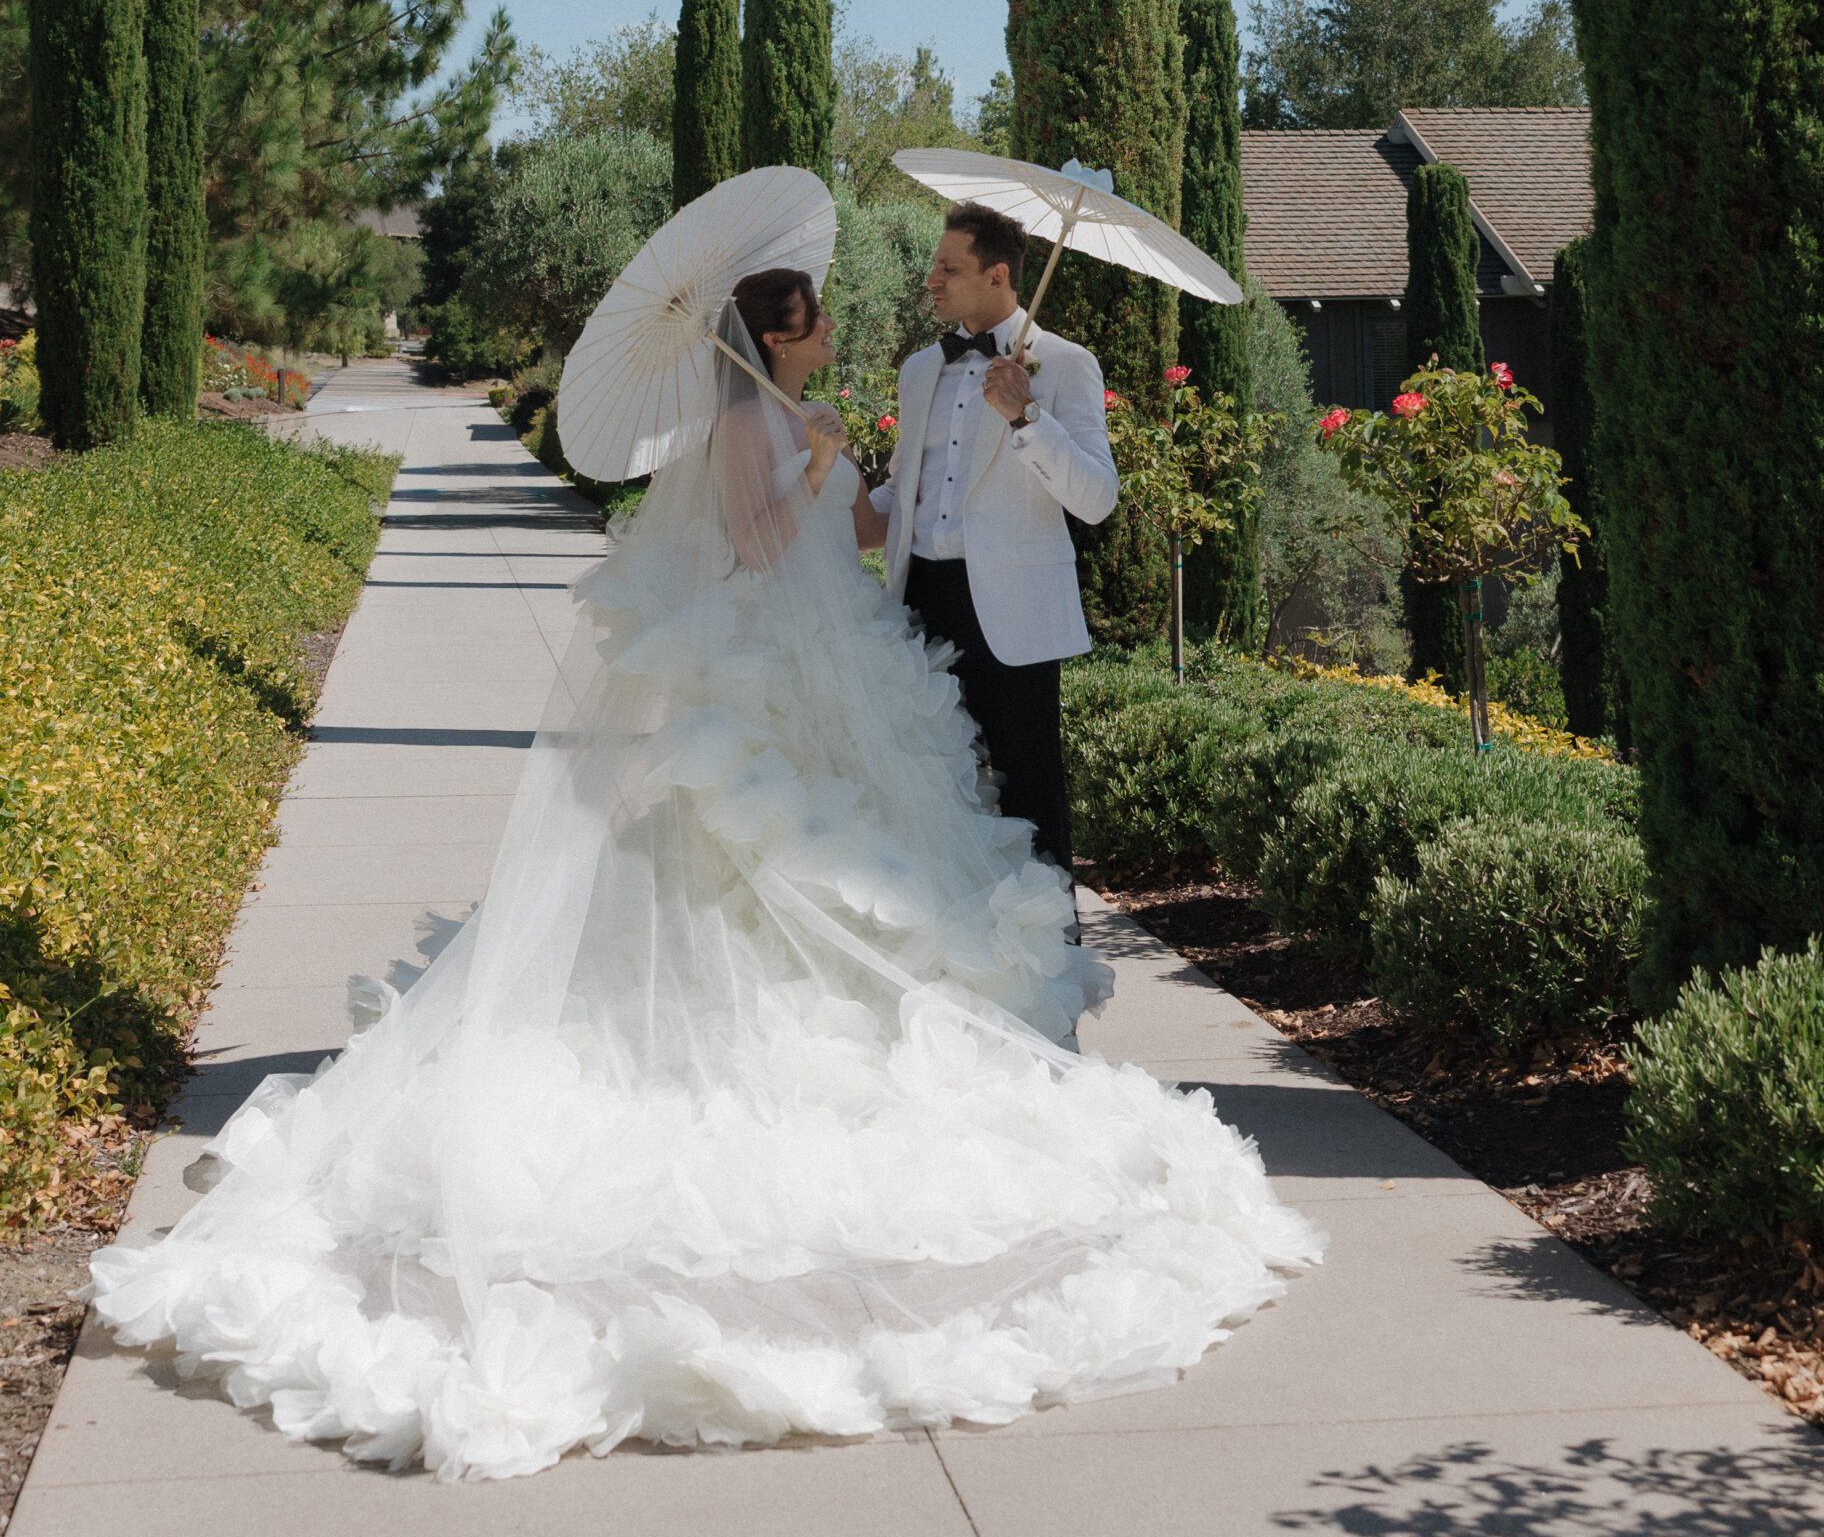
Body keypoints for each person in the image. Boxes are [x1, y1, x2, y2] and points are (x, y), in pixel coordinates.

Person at [91, 257, 1318, 1482]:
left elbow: (862, 526)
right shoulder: (747, 416)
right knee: (769, 853)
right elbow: (749, 544)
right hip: (777, 660)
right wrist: (823, 470)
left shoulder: (797, 404)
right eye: (817, 314)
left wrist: (846, 475)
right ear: (781, 334)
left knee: (869, 846)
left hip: (848, 641)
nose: (840, 322)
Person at [871, 199, 1115, 876]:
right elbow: (901, 493)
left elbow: (1096, 499)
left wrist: (1027, 416)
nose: (932, 280)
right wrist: (820, 490)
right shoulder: (920, 369)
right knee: (929, 784)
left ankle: (1052, 963)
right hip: (919, 601)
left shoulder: (1065, 366)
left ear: (999, 275)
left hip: (1012, 615)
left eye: (948, 268)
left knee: (1029, 789)